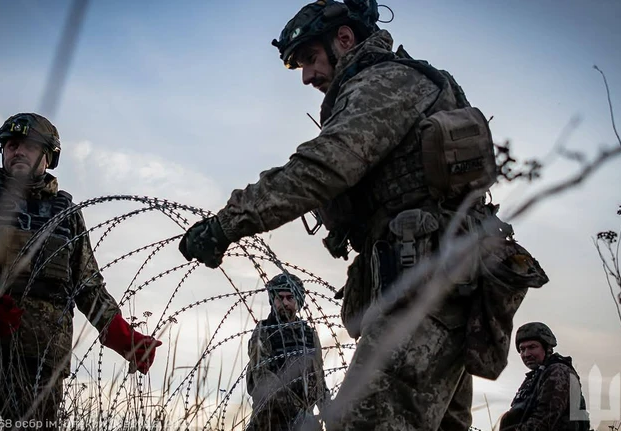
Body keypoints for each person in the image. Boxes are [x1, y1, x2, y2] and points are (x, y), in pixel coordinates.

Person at [178, 1, 549, 429]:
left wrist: (226, 223)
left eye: (310, 58)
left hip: (425, 291)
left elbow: (324, 166)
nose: (307, 76)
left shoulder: (384, 83)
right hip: (437, 288)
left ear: (345, 39)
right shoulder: (400, 82)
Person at [0, 113, 162, 430]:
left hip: (41, 362)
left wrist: (123, 336)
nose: (18, 151)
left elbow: (88, 285)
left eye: (28, 145)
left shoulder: (67, 215)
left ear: (48, 156)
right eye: (11, 145)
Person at [245, 273, 330, 431]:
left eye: (290, 298)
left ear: (298, 301)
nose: (285, 302)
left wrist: (330, 415)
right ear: (273, 300)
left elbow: (319, 379)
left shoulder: (309, 335)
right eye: (280, 298)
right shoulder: (264, 332)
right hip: (270, 423)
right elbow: (264, 380)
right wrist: (299, 416)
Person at [499, 323, 591, 431]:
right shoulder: (534, 378)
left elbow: (543, 421)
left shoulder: (558, 371)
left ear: (547, 348)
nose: (526, 354)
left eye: (532, 347)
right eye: (522, 349)